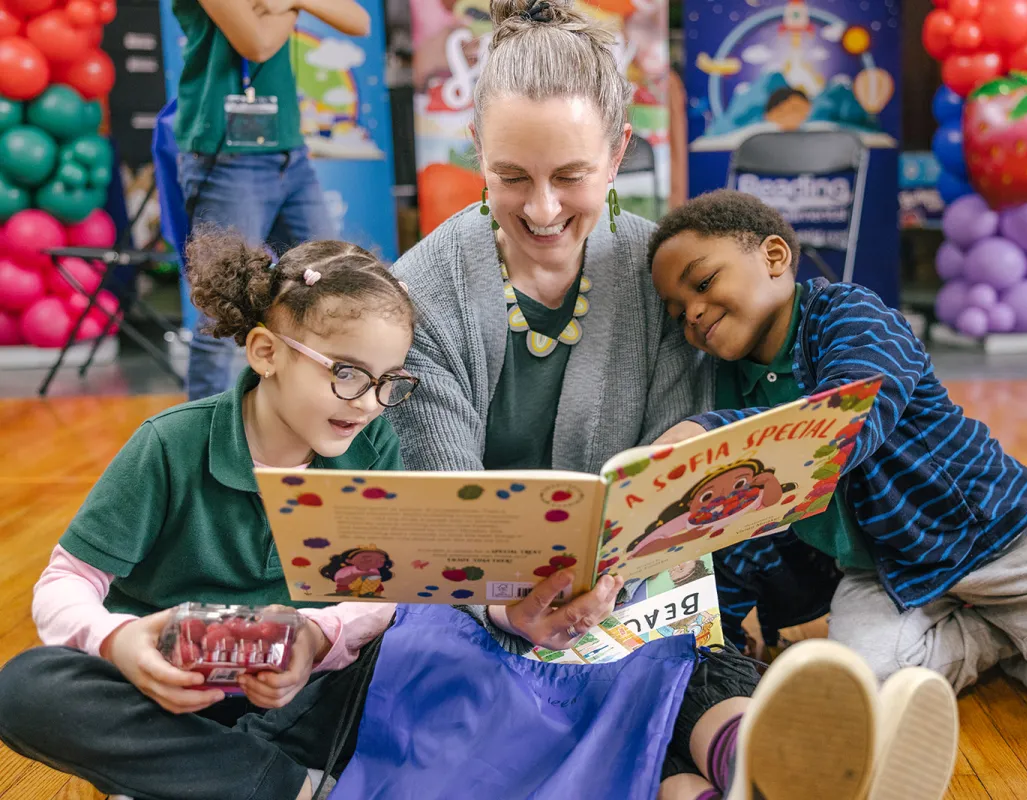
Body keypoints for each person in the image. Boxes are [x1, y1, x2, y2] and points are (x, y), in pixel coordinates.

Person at [381, 2, 958, 797]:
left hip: (632, 587)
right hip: (480, 599)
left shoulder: (664, 279)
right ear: (475, 148)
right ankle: (702, 776)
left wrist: (617, 583)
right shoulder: (419, 294)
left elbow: (676, 489)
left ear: (618, 153)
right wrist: (514, 608)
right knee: (452, 669)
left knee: (676, 650)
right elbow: (451, 515)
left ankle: (748, 759)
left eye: (571, 177)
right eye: (512, 177)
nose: (543, 209)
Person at [647, 189, 1027, 737]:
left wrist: (711, 437)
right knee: (859, 695)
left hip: (1001, 538)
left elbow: (843, 422)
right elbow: (742, 527)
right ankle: (1001, 636)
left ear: (774, 257)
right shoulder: (726, 379)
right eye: (677, 312)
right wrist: (716, 632)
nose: (694, 313)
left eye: (702, 284)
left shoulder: (852, 315)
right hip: (887, 568)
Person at [0, 231, 417, 800]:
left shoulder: (373, 449)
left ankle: (200, 777)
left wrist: (318, 639)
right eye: (346, 373)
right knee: (26, 688)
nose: (370, 402)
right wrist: (119, 641)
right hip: (168, 693)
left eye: (388, 381)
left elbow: (383, 593)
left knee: (419, 643)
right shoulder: (172, 442)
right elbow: (65, 584)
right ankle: (281, 785)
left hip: (291, 698)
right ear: (266, 353)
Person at [174, 0, 369, 401]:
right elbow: (257, 45)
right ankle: (202, 445)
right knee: (222, 308)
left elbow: (360, 21)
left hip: (289, 155)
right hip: (226, 157)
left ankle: (322, 406)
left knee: (334, 281)